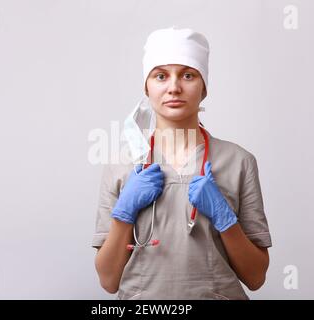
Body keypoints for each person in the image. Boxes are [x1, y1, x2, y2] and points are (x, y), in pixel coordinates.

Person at [92, 27, 272, 300]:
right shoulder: (121, 166)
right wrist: (123, 213)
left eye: (188, 75)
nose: (174, 87)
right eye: (161, 76)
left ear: (204, 87)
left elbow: (255, 277)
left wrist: (226, 220)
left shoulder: (239, 162)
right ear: (147, 86)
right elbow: (108, 281)